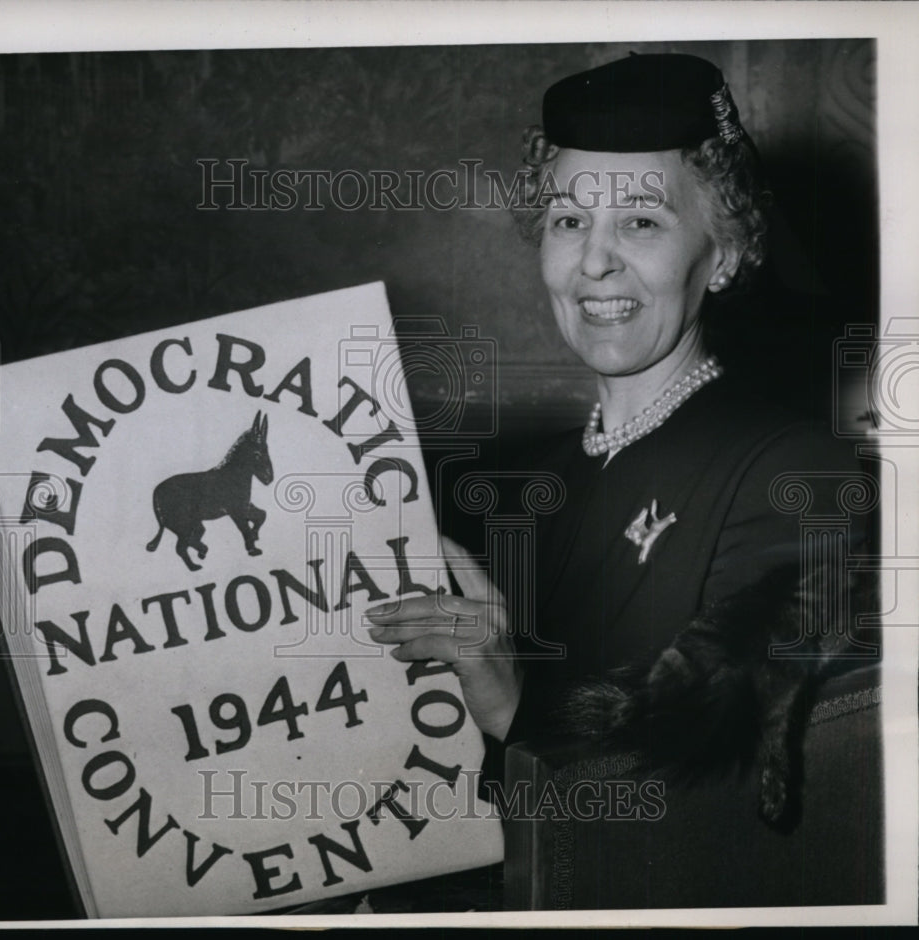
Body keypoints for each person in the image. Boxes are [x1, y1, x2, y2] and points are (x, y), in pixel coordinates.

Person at [366, 54, 871, 776]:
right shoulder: (520, 488)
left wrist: (512, 709)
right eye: (570, 219)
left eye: (640, 220)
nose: (595, 261)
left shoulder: (795, 470)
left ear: (724, 253)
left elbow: (735, 796)